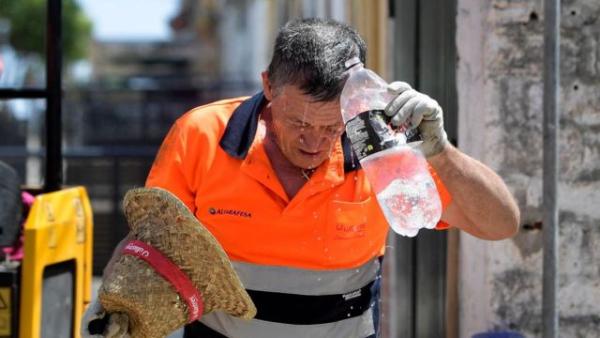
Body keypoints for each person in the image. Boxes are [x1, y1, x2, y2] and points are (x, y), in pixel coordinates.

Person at [83, 18, 519, 338]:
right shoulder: (203, 135)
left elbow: (501, 224)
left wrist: (440, 151)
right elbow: (151, 244)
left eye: (332, 127)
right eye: (298, 122)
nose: (315, 142)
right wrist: (113, 306)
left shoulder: (384, 149)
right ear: (268, 86)